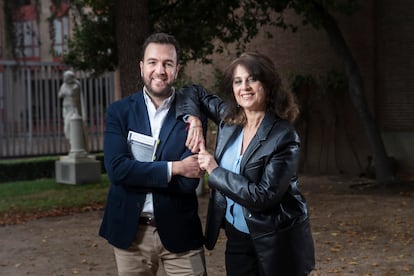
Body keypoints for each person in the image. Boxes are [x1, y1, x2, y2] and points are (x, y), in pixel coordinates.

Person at [180, 52, 315, 275]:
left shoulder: (284, 136)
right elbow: (191, 91)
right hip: (237, 237)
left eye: (252, 79)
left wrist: (215, 170)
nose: (245, 87)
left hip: (275, 241)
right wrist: (193, 120)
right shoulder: (230, 120)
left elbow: (263, 196)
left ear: (269, 85)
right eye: (238, 81)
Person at [99, 33, 207, 276]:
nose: (160, 70)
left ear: (177, 69)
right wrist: (175, 168)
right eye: (153, 62)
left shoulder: (192, 117)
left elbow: (189, 182)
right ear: (141, 67)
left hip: (180, 232)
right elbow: (117, 170)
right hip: (131, 235)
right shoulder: (119, 112)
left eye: (168, 63)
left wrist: (137, 172)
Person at [58, 70, 87, 145]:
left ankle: (75, 144)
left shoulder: (76, 85)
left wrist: (65, 92)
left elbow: (71, 93)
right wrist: (63, 92)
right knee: (66, 128)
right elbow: (59, 95)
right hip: (66, 109)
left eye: (65, 77)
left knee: (70, 126)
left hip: (73, 109)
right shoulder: (64, 85)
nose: (64, 78)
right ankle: (73, 144)